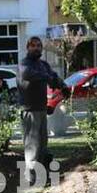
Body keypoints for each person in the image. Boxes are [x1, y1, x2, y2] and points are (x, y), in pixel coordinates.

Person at [17, 36, 67, 183]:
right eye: (33, 45)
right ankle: (30, 178)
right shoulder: (24, 64)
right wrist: (48, 78)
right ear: (28, 47)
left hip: (41, 108)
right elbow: (29, 75)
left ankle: (42, 175)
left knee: (43, 144)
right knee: (32, 145)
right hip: (29, 110)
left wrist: (62, 85)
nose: (36, 48)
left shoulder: (43, 64)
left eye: (39, 46)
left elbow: (53, 76)